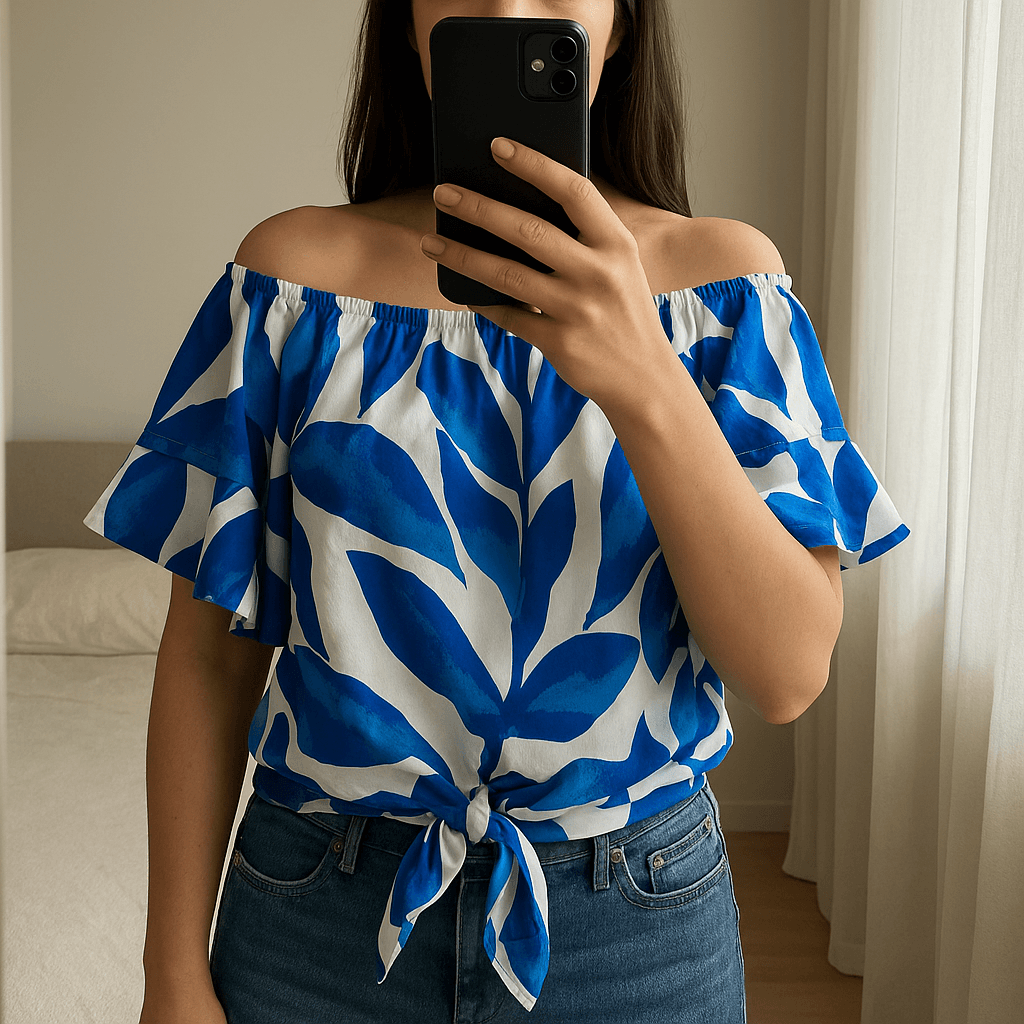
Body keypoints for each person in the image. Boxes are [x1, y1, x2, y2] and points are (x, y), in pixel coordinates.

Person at [83, 2, 910, 1022]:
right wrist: (170, 971)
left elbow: (786, 673)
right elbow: (208, 658)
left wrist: (644, 377)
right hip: (316, 920)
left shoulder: (727, 290)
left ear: (623, 23)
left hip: (636, 930)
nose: (511, 6)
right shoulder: (292, 285)